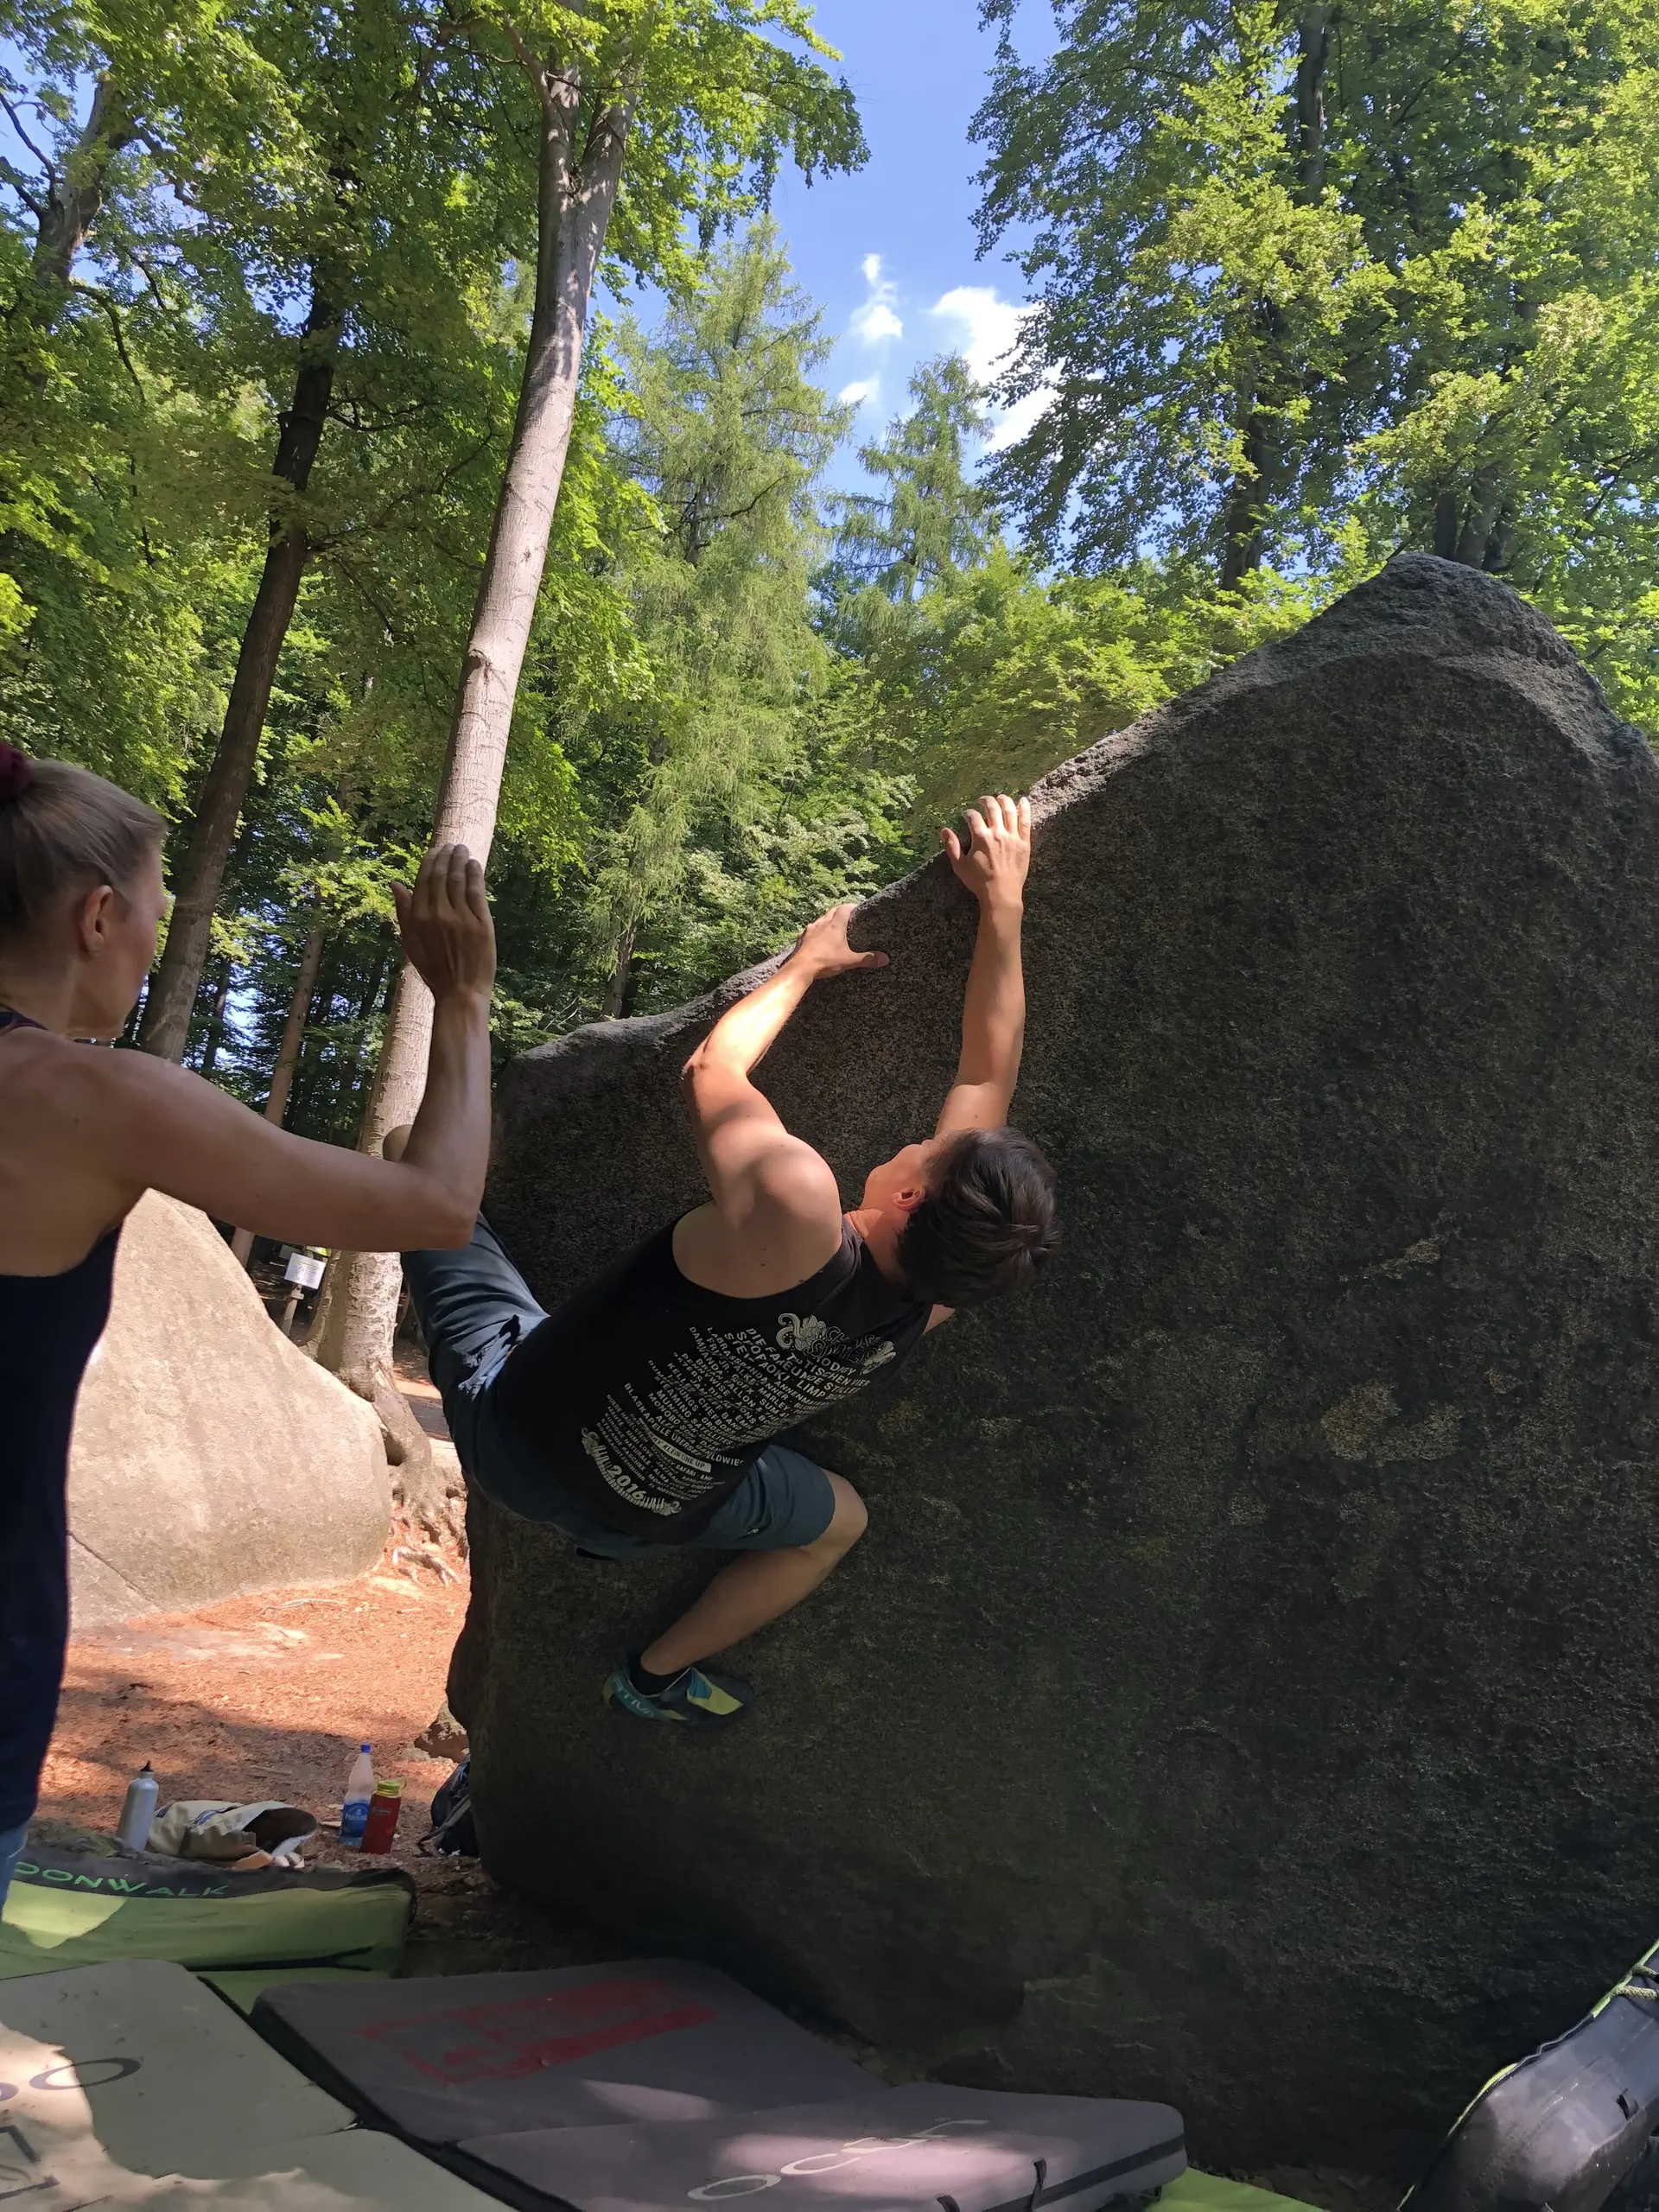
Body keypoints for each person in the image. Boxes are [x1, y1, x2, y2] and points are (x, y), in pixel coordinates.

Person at [400, 791, 1058, 1730]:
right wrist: (1003, 907)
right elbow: (988, 1074)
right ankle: (652, 1676)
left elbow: (712, 1069)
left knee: (416, 1169)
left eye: (927, 1149)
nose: (920, 1138)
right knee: (838, 1522)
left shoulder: (797, 1203)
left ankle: (410, 1177)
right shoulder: (934, 1300)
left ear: (912, 1197)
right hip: (646, 1522)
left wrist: (804, 967)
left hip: (516, 1437)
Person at [0, 744, 497, 1906]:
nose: (154, 939)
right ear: (97, 917)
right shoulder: (94, 1100)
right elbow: (437, 1206)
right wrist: (464, 1000)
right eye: (155, 910)